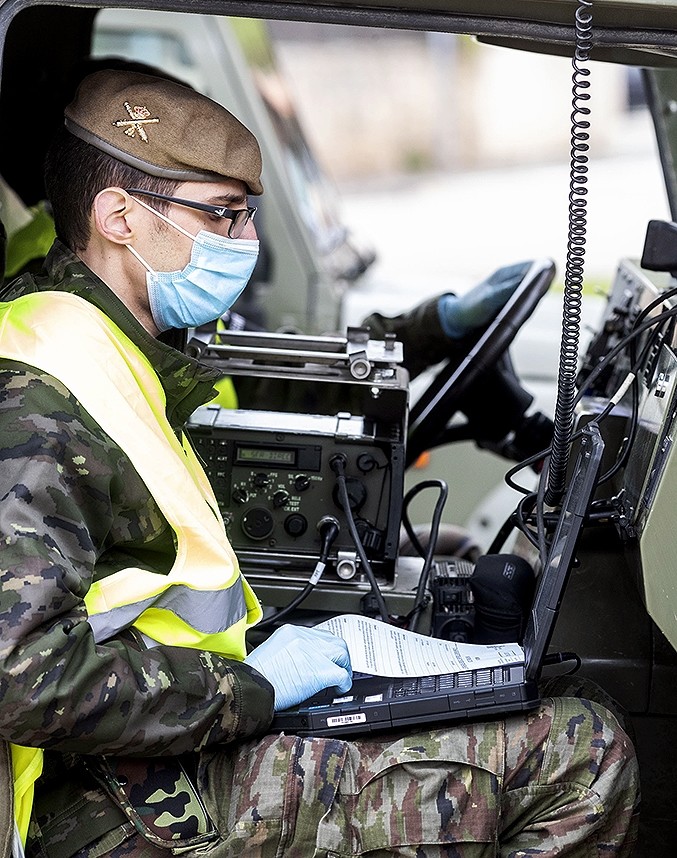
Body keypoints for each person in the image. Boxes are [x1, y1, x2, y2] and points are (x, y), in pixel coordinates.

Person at [0, 69, 639, 858]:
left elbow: (261, 387)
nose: (244, 244)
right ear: (119, 216)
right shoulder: (36, 393)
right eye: (222, 216)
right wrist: (254, 689)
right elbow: (17, 672)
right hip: (101, 798)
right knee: (580, 748)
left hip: (167, 727)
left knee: (525, 684)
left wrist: (429, 329)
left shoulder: (117, 338)